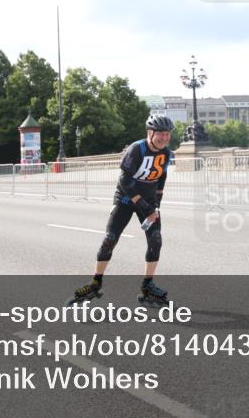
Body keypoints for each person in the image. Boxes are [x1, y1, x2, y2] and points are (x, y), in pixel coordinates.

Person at [69, 114, 174, 306]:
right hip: (126, 198)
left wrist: (156, 206)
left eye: (167, 134)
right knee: (110, 239)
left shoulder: (166, 153)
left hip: (149, 201)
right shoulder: (136, 149)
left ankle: (147, 285)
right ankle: (95, 283)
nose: (164, 138)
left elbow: (161, 179)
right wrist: (144, 206)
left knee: (156, 240)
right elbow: (124, 181)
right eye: (161, 134)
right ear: (150, 133)